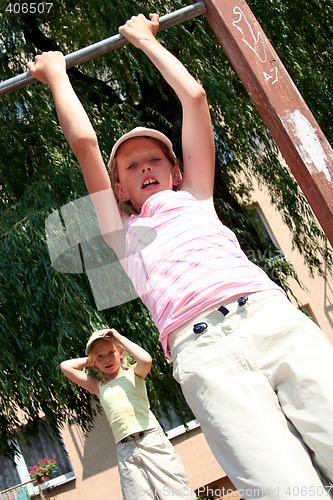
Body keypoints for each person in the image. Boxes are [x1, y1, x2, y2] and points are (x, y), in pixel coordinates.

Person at [28, 12, 333, 500]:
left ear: (175, 172)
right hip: (205, 357)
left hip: (267, 317)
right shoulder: (121, 236)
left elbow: (194, 98)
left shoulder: (198, 198)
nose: (145, 166)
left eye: (156, 160)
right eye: (131, 165)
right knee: (285, 489)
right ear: (120, 190)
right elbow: (85, 145)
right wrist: (59, 76)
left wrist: (146, 40)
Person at [60, 328, 196, 499]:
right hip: (125, 449)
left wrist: (119, 338)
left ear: (121, 353)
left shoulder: (134, 373)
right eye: (100, 356)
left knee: (175, 492)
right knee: (137, 496)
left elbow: (146, 359)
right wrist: (92, 360)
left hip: (150, 439)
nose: (107, 359)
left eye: (111, 352)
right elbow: (65, 366)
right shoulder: (98, 386)